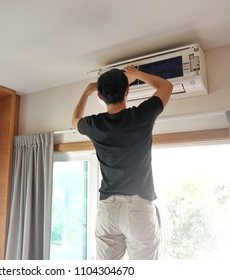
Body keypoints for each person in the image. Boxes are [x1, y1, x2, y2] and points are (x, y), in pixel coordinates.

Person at [71, 65, 173, 260]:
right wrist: (137, 74)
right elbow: (166, 87)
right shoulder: (141, 116)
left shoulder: (95, 125)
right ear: (127, 90)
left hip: (107, 209)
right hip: (139, 207)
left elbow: (74, 119)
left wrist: (86, 92)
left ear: (100, 97)